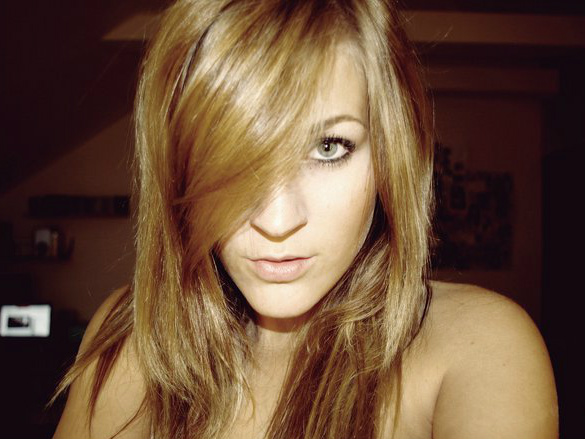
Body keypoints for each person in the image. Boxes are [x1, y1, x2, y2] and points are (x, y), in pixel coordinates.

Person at [52, 1, 558, 438]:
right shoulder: (133, 335)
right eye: (234, 153)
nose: (277, 220)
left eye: (328, 147)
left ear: (390, 151)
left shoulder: (476, 347)